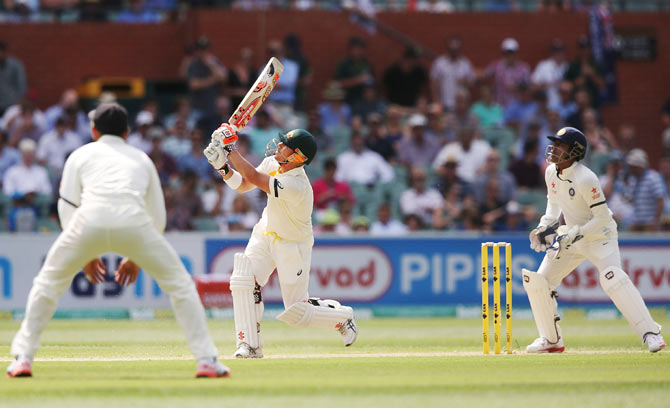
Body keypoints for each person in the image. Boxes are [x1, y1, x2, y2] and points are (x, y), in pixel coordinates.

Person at [6, 103, 229, 378]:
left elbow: (67, 206)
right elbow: (157, 216)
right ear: (127, 132)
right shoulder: (142, 158)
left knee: (47, 285)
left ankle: (22, 358)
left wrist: (84, 252)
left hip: (86, 223)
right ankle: (206, 359)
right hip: (134, 225)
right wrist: (137, 256)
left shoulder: (80, 154)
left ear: (93, 129)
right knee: (181, 286)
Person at [203, 124, 358, 358]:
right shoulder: (274, 163)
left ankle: (342, 317)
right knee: (243, 280)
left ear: (298, 157)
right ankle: (249, 345)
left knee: (297, 313)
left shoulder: (298, 185)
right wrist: (222, 167)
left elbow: (253, 177)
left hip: (292, 244)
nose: (280, 146)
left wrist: (230, 148)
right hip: (266, 232)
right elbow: (245, 185)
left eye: (286, 145)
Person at [523, 127, 665, 354]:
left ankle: (651, 333)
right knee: (539, 281)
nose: (555, 149)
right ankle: (551, 339)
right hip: (571, 237)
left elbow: (601, 218)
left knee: (612, 278)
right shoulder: (551, 172)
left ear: (574, 151)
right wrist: (542, 227)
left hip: (600, 237)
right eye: (555, 144)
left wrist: (574, 232)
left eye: (561, 145)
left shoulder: (586, 178)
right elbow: (553, 206)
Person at [0, 40, 27, 116]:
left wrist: (18, 102)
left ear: (5, 52)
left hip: (12, 105)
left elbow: (22, 85)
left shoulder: (15, 65)